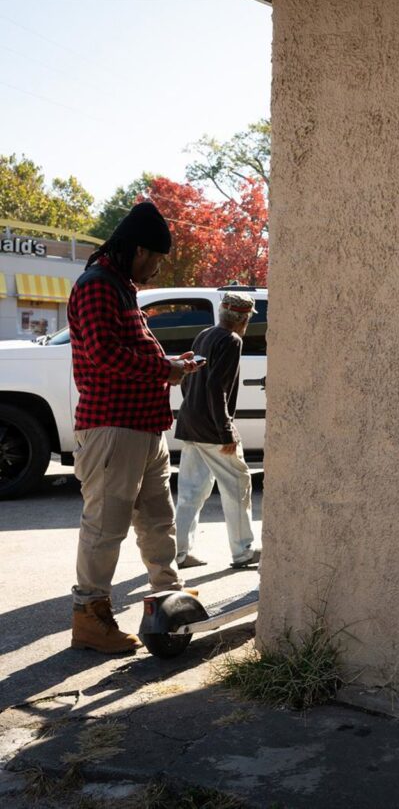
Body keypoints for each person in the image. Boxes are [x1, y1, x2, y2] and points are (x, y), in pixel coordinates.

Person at [68, 201, 202, 654]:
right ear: (138, 248)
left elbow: (132, 353)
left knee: (158, 522)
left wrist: (170, 364)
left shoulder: (120, 286)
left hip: (143, 428)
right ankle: (89, 617)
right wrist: (165, 370)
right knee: (105, 527)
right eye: (156, 258)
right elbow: (104, 354)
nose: (158, 267)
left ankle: (171, 601)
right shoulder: (96, 285)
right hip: (111, 427)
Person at [174, 292, 262, 571]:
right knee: (238, 483)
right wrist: (226, 432)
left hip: (190, 422)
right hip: (212, 428)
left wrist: (192, 408)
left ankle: (180, 554)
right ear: (244, 319)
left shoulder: (205, 335)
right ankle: (243, 551)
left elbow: (189, 379)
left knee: (190, 492)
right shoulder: (231, 340)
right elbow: (216, 388)